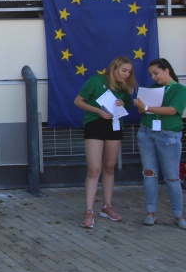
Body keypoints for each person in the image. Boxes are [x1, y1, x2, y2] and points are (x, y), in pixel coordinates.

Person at [73, 56, 135, 229]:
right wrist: (98, 111)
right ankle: (88, 210)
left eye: (129, 72)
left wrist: (123, 103)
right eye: (124, 70)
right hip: (95, 125)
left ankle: (107, 206)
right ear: (114, 68)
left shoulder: (124, 87)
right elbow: (78, 101)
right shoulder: (96, 80)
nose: (126, 74)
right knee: (94, 169)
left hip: (114, 126)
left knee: (109, 166)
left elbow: (127, 107)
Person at [132, 58, 186, 230]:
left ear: (166, 70)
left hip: (168, 135)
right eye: (151, 74)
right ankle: (150, 213)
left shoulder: (179, 89)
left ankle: (178, 215)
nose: (154, 77)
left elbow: (172, 110)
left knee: (172, 177)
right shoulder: (153, 89)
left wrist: (146, 107)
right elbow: (143, 110)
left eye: (156, 73)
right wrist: (141, 106)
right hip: (147, 132)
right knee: (149, 173)